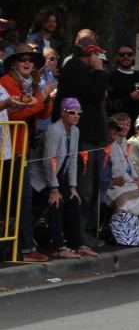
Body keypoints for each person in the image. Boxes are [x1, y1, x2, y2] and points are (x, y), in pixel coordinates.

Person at [0, 45, 54, 261]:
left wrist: (47, 98)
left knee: (24, 198)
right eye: (22, 59)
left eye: (30, 60)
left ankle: (23, 246)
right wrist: (43, 95)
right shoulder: (6, 82)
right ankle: (23, 248)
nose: (27, 63)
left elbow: (41, 113)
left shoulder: (29, 84)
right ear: (14, 63)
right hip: (9, 148)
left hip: (21, 147)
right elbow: (15, 113)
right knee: (20, 198)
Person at [56, 36, 110, 243]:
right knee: (82, 188)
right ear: (91, 54)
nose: (98, 59)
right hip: (84, 137)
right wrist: (98, 71)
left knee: (93, 187)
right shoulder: (75, 69)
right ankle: (78, 234)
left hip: (92, 136)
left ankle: (87, 231)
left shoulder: (80, 69)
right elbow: (96, 93)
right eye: (96, 55)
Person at [31, 98, 98, 258]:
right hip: (42, 179)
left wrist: (73, 186)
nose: (76, 116)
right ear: (63, 113)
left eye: (79, 113)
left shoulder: (75, 131)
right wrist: (54, 188)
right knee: (56, 202)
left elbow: (73, 159)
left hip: (59, 175)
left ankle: (78, 244)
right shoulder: (54, 130)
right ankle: (60, 247)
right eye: (72, 112)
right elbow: (48, 161)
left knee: (74, 199)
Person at [105, 114, 139, 246]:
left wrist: (136, 178)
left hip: (124, 179)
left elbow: (128, 164)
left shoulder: (124, 141)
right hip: (113, 180)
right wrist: (132, 181)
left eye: (127, 124)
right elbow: (117, 168)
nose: (125, 127)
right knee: (127, 197)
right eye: (122, 124)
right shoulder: (112, 143)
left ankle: (131, 227)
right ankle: (121, 224)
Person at [107, 43, 139, 123]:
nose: (126, 57)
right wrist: (130, 97)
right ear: (117, 57)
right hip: (119, 124)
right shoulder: (111, 77)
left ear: (133, 57)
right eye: (122, 54)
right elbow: (109, 105)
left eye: (129, 54)